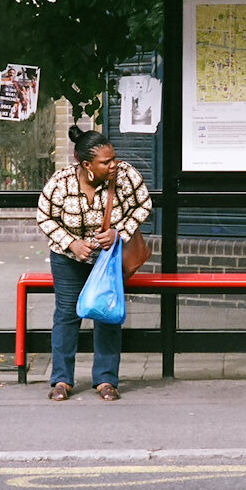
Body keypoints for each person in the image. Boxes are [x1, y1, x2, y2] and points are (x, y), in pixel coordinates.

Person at [36, 126, 153, 402]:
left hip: (108, 259)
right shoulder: (62, 182)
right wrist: (71, 243)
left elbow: (144, 204)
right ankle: (62, 380)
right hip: (68, 260)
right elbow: (44, 216)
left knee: (107, 314)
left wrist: (119, 233)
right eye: (105, 162)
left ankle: (106, 380)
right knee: (66, 315)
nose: (113, 165)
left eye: (113, 158)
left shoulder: (125, 176)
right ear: (86, 165)